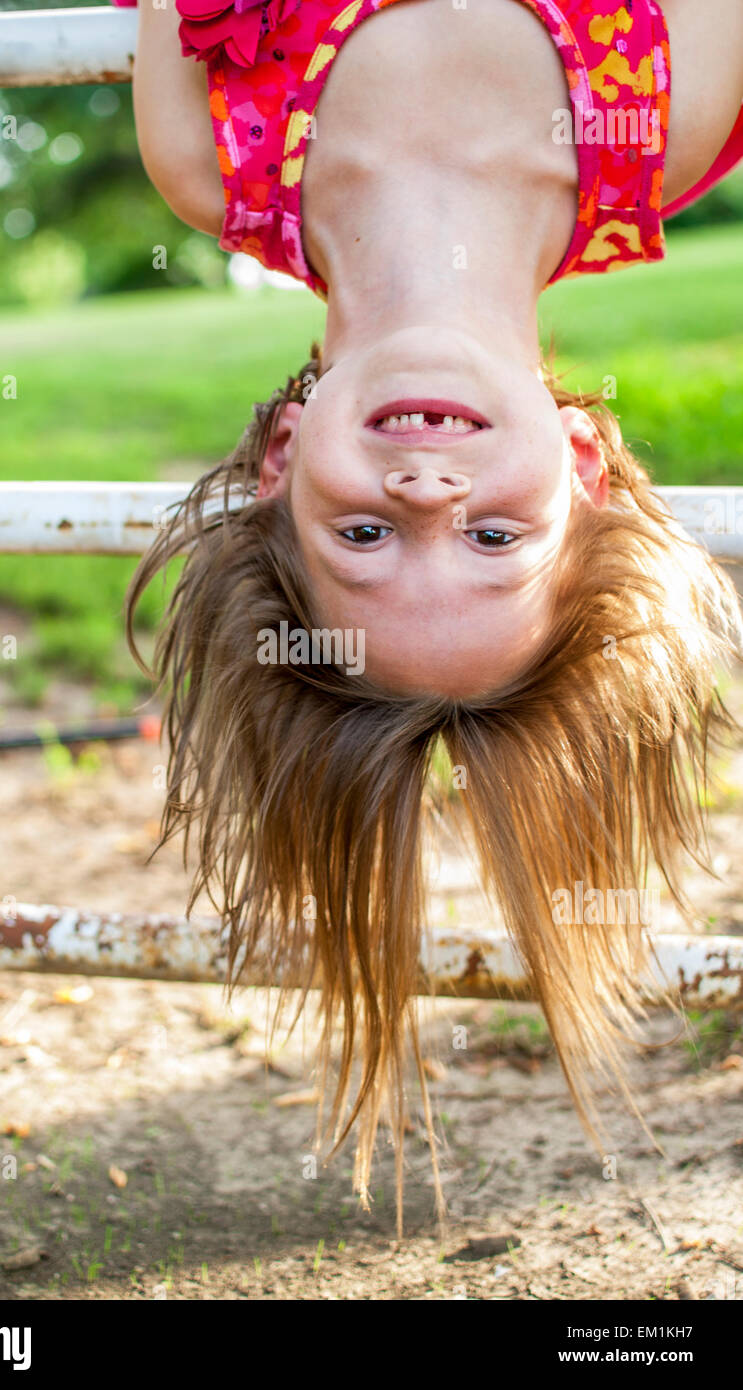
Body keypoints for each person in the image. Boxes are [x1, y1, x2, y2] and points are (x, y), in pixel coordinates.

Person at [122, 0, 743, 1230]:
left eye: (360, 538)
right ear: (582, 467)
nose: (425, 494)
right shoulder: (665, 125)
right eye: (494, 541)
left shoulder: (200, 153)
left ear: (280, 462)